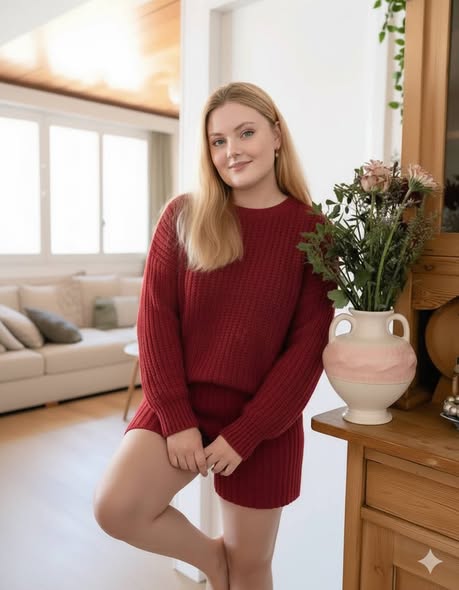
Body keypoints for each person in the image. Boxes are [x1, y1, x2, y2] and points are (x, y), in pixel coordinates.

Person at [93, 81, 334, 590]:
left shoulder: (314, 232)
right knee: (115, 507)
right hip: (182, 403)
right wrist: (177, 418)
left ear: (276, 135)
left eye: (245, 133)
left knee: (252, 569)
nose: (231, 151)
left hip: (265, 419)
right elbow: (156, 321)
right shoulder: (182, 216)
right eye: (218, 141)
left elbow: (308, 350)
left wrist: (248, 433)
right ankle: (214, 560)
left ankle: (233, 567)